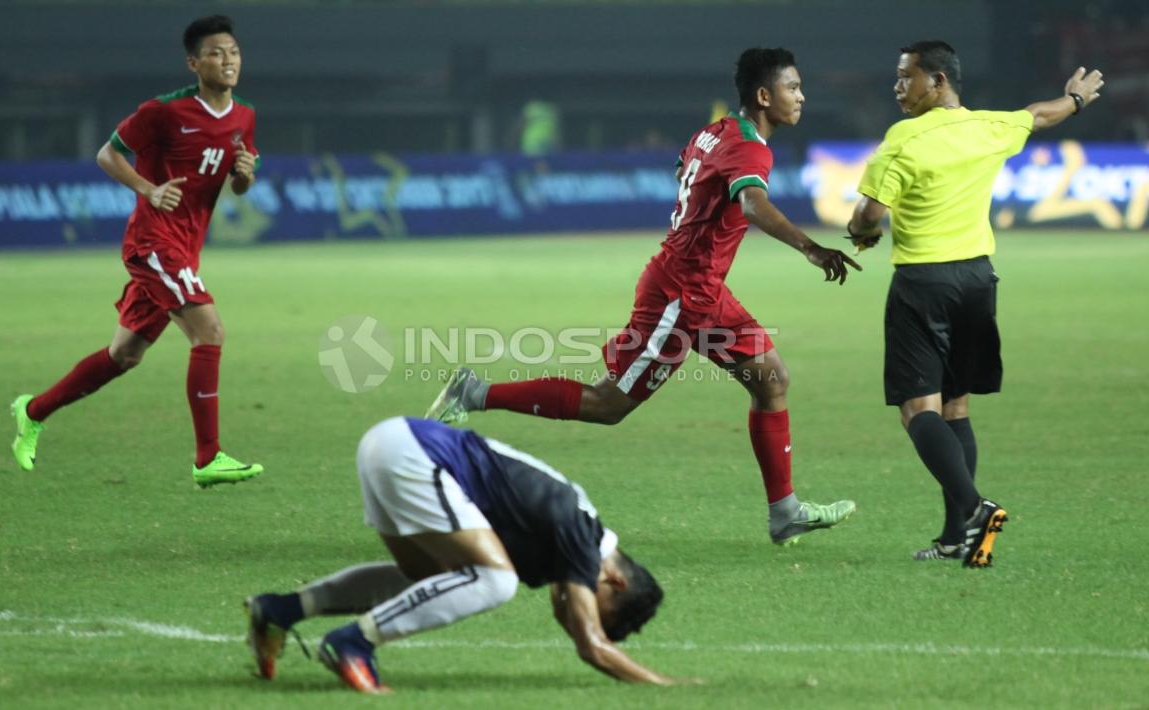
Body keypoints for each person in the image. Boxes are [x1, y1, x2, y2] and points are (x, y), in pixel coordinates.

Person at [428, 48, 860, 545]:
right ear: (765, 96)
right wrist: (809, 247)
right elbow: (752, 201)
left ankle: (784, 512)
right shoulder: (752, 150)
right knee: (609, 403)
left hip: (705, 289)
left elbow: (685, 173)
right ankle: (474, 393)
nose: (801, 96)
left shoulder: (713, 131)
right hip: (680, 295)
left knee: (772, 380)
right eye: (793, 87)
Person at [846, 41, 1104, 567]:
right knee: (956, 407)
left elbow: (869, 214)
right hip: (978, 281)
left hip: (924, 282)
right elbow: (1038, 115)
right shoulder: (989, 126)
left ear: (938, 81)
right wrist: (1075, 101)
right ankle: (953, 540)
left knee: (918, 409)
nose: (898, 87)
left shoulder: (903, 138)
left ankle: (974, 507)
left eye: (906, 77)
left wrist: (862, 233)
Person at [10, 15, 263, 487]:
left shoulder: (244, 116)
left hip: (185, 249)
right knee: (209, 331)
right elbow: (107, 154)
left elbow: (239, 184)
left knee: (123, 355)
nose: (227, 60)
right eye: (215, 53)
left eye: (233, 51)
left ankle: (33, 410)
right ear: (194, 63)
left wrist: (245, 174)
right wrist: (148, 189)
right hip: (152, 242)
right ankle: (208, 458)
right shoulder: (164, 111)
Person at [244, 417, 679, 692]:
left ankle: (282, 609)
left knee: (432, 579)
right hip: (416, 454)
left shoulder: (568, 538)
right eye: (592, 606)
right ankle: (353, 643)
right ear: (613, 580)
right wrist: (664, 685)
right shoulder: (582, 537)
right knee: (496, 580)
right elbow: (592, 647)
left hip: (390, 443)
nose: (571, 612)